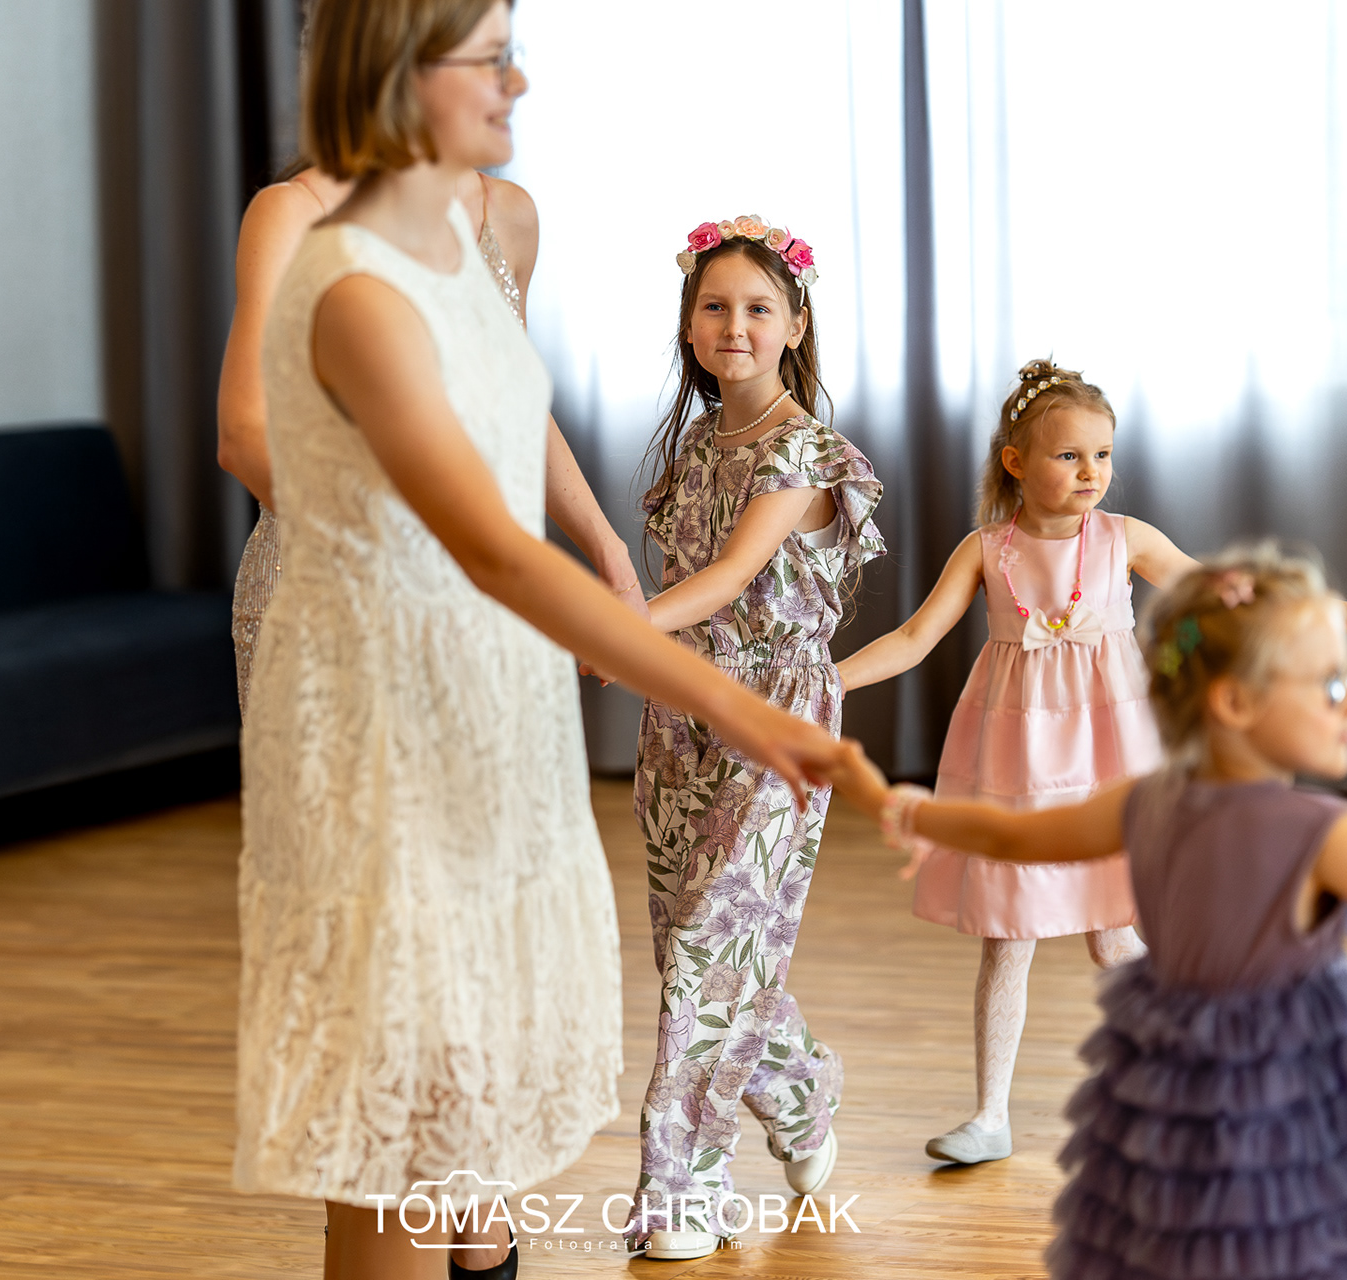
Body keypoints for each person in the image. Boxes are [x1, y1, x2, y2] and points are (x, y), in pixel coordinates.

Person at [231, 6, 848, 1279]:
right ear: (396, 66)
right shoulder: (344, 270)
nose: (518, 80)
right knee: (398, 1033)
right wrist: (730, 701)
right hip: (382, 656)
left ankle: (483, 1232)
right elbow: (462, 534)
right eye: (487, 54)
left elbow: (511, 440)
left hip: (482, 652)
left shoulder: (494, 228)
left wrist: (608, 556)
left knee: (472, 1006)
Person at [830, 547, 1347, 1279]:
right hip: (1246, 1101)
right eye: (1331, 683)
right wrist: (895, 804)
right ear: (1235, 702)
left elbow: (1005, 836)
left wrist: (895, 803)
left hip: (1180, 1094)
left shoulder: (1150, 807)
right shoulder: (1318, 834)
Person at [833, 361, 1194, 1165]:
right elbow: (914, 638)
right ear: (1016, 462)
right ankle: (990, 1116)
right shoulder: (986, 549)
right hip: (1018, 757)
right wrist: (829, 680)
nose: (1091, 472)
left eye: (1102, 455)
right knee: (1008, 935)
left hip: (1106, 757)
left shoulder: (1123, 539)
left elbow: (1220, 592)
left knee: (1112, 936)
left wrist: (1324, 613)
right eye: (1069, 456)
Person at [624, 215, 883, 1261]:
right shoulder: (696, 446)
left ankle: (684, 1193)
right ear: (690, 325)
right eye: (716, 306)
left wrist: (610, 630)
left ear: (795, 324)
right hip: (679, 716)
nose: (736, 326)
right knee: (703, 955)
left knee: (705, 952)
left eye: (759, 308)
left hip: (776, 721)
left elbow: (731, 578)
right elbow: (683, 582)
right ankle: (801, 1086)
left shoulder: (808, 452)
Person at [217, 153, 642, 716]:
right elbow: (244, 436)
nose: (507, 101)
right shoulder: (296, 212)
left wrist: (610, 555)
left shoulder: (509, 214)